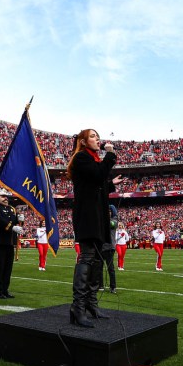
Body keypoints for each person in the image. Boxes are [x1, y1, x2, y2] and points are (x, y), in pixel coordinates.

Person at [67, 128, 122, 328]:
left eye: (98, 137)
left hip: (97, 216)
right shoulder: (82, 158)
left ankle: (91, 304)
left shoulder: (93, 160)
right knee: (88, 257)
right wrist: (110, 155)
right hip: (88, 216)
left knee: (98, 259)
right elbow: (97, 177)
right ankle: (78, 307)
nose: (97, 139)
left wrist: (111, 185)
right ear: (82, 141)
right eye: (93, 136)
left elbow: (97, 185)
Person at [0, 189, 22, 299]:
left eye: (6, 196)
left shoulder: (11, 209)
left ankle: (5, 289)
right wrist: (12, 226)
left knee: (8, 268)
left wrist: (19, 220)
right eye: (3, 196)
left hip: (9, 242)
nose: (6, 198)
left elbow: (14, 221)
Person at [101, 205, 118, 293]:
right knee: (99, 267)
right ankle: (100, 285)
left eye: (109, 211)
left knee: (110, 268)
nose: (108, 213)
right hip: (100, 247)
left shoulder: (114, 221)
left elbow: (110, 224)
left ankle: (113, 287)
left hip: (109, 248)